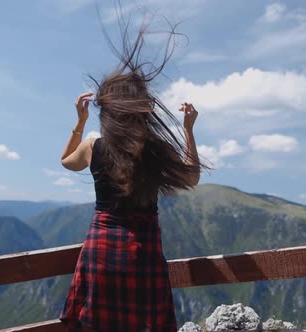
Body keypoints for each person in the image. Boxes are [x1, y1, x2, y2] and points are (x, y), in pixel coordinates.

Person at [57, 20, 209, 332]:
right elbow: (192, 177)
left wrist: (80, 121)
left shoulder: (91, 147)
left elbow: (65, 162)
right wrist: (188, 131)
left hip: (100, 251)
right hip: (143, 252)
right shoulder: (154, 150)